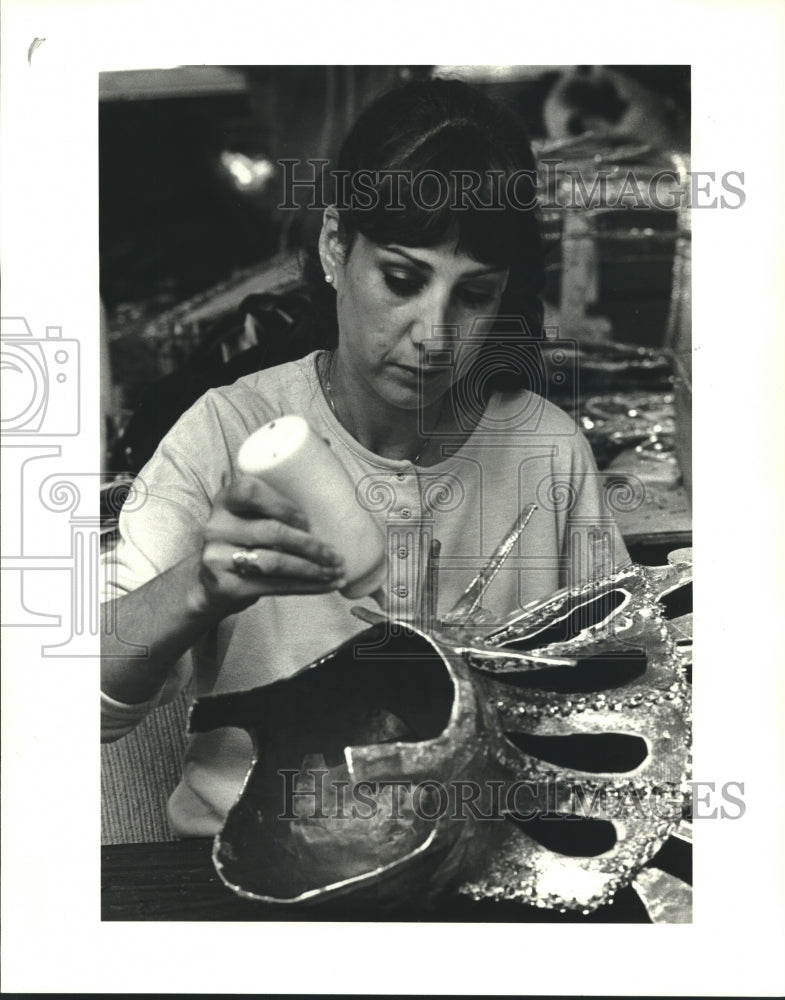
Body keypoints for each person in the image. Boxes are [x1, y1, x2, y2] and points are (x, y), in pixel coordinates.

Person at [101, 77, 629, 837]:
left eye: (473, 295)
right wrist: (199, 587)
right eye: (402, 280)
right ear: (332, 247)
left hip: (471, 867)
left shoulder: (543, 448)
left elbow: (610, 701)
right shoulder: (228, 429)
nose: (434, 334)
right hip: (248, 878)